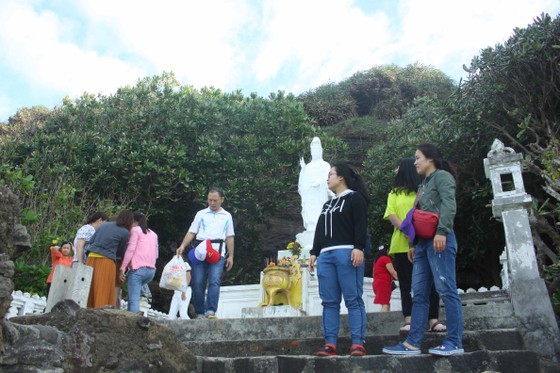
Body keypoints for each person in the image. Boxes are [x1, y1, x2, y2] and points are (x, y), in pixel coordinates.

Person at [383, 144, 463, 357]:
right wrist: (412, 243)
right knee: (418, 293)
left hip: (440, 241)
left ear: (430, 159)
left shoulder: (442, 177)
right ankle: (412, 343)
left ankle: (454, 341)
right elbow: (416, 216)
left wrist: (443, 232)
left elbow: (449, 204)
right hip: (422, 244)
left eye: (418, 157)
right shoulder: (423, 184)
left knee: (446, 290)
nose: (415, 161)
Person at [309, 162, 369, 357]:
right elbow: (319, 230)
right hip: (326, 256)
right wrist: (314, 252)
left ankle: (358, 342)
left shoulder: (355, 198)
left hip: (347, 252)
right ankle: (330, 343)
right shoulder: (327, 204)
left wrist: (359, 247)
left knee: (353, 298)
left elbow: (361, 224)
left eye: (331, 174)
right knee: (329, 301)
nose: (328, 178)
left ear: (341, 177)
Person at [384, 158, 446, 333]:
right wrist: (409, 232)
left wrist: (417, 233)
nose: (395, 170)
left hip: (424, 241)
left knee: (430, 281)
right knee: (406, 282)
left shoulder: (422, 191)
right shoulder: (394, 193)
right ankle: (409, 319)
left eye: (397, 167)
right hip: (402, 244)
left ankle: (432, 319)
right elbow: (391, 215)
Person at [176, 187, 235, 319]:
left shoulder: (227, 216)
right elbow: (192, 231)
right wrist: (183, 245)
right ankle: (200, 312)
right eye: (209, 200)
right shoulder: (201, 214)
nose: (212, 203)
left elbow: (230, 236)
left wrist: (231, 256)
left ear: (222, 200)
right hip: (200, 251)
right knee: (197, 281)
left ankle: (211, 310)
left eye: (215, 200)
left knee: (214, 281)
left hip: (218, 253)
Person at [86, 210, 133, 308]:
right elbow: (121, 251)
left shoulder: (104, 225)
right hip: (106, 261)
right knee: (103, 289)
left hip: (91, 258)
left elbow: (91, 240)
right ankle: (99, 312)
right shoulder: (125, 232)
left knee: (89, 287)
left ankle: (86, 308)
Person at [119, 211, 159, 314]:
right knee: (132, 297)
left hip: (138, 270)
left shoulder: (136, 230)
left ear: (133, 221)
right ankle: (129, 321)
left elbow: (131, 249)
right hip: (151, 272)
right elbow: (156, 254)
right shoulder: (153, 234)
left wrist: (123, 267)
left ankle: (134, 326)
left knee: (133, 300)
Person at [298, 137, 332, 232]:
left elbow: (328, 179)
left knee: (321, 213)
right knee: (310, 216)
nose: (315, 152)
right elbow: (302, 185)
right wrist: (303, 171)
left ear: (321, 151)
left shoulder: (325, 165)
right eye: (313, 149)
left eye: (317, 149)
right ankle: (311, 227)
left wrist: (319, 182)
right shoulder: (307, 167)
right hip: (309, 196)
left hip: (320, 195)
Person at [372, 247, 398, 312]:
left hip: (376, 283)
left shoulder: (376, 261)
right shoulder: (385, 259)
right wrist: (402, 279)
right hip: (384, 283)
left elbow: (373, 274)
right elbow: (392, 272)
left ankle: (386, 320)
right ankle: (383, 321)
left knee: (386, 303)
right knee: (385, 304)